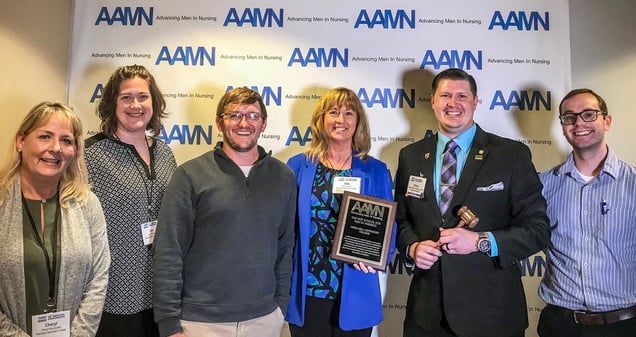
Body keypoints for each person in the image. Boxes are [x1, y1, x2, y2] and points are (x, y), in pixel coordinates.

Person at [394, 68, 550, 337]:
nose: (452, 104)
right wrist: (412, 247)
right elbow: (401, 219)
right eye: (445, 95)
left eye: (461, 96)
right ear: (432, 101)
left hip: (491, 316)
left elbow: (537, 229)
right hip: (426, 316)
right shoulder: (411, 155)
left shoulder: (511, 155)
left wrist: (480, 241)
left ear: (476, 102)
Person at [152, 87, 296, 337]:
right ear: (219, 122)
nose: (244, 123)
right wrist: (169, 324)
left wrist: (280, 305)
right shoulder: (189, 175)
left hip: (264, 320)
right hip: (200, 322)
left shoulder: (283, 177)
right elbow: (168, 251)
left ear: (263, 124)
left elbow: (285, 247)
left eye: (252, 115)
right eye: (234, 115)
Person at [285, 87, 396, 337]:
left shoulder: (375, 170)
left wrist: (378, 255)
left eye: (348, 113)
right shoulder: (297, 167)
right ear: (321, 119)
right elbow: (284, 227)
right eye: (333, 112)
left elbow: (389, 226)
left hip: (355, 289)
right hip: (308, 289)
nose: (340, 120)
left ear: (358, 122)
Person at [0, 101, 110, 336]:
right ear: (21, 141)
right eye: (45, 136)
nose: (56, 148)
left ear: (75, 151)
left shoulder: (88, 204)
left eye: (66, 141)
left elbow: (98, 278)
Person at [85, 64, 177, 337]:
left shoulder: (165, 153)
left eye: (143, 97)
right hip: (112, 296)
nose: (135, 105)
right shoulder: (90, 155)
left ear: (154, 102)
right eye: (126, 97)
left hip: (160, 293)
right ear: (112, 102)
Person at [537, 89, 636, 337]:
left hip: (624, 326)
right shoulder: (543, 185)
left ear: (607, 121)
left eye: (589, 114)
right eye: (569, 117)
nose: (579, 122)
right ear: (563, 127)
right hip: (559, 326)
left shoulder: (633, 184)